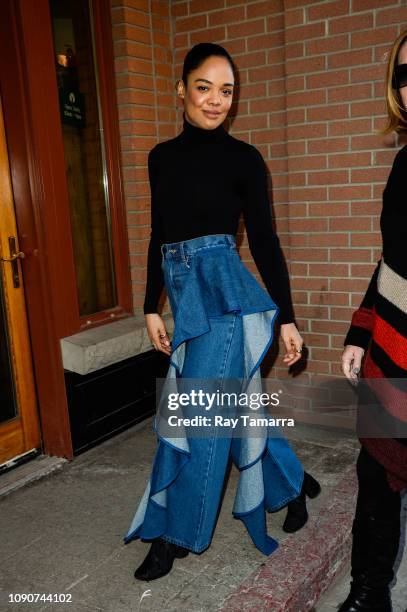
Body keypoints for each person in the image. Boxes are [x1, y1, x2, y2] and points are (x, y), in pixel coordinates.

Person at [124, 43, 320, 582]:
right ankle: (291, 482)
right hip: (185, 298)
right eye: (204, 87)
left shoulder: (244, 160)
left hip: (228, 300)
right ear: (181, 88)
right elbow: (159, 236)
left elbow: (264, 240)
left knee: (201, 416)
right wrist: (150, 306)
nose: (216, 101)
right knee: (234, 410)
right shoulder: (159, 157)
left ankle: (174, 534)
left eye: (226, 90)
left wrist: (286, 317)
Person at [340, 29, 407, 612]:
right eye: (404, 76)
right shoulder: (406, 162)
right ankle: (369, 592)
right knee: (376, 474)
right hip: (394, 347)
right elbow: (391, 258)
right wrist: (362, 332)